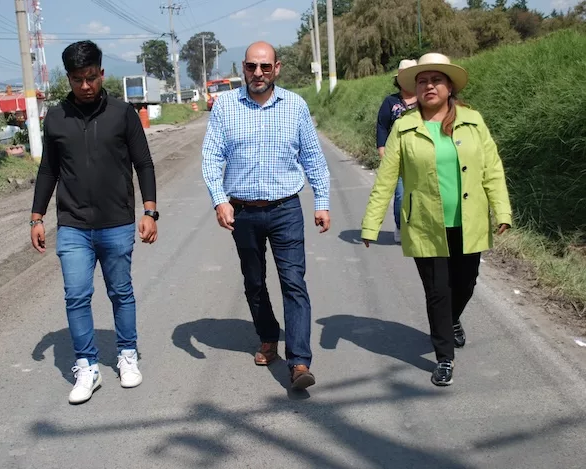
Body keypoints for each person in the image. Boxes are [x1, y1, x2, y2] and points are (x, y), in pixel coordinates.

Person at [360, 53, 512, 387]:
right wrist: (371, 224)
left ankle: (452, 320)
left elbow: (492, 168)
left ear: (449, 86)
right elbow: (386, 180)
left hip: (468, 220)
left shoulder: (473, 121)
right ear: (415, 88)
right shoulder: (404, 127)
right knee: (437, 291)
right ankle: (444, 357)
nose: (429, 86)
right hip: (426, 225)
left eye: (436, 80)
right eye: (423, 80)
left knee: (466, 283)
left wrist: (502, 210)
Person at [30, 40, 159, 404]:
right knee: (76, 295)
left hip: (116, 222)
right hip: (72, 225)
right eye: (76, 80)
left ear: (102, 73)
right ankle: (87, 366)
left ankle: (127, 355)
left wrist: (149, 211)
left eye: (91, 78)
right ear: (67, 79)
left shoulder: (122, 114)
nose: (85, 86)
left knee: (120, 292)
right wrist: (36, 216)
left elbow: (144, 163)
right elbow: (48, 170)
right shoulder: (56, 117)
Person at [201, 41, 331, 391]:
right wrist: (219, 200)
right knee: (254, 281)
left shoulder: (295, 106)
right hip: (242, 211)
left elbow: (313, 157)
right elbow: (212, 157)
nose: (258, 74)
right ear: (242, 68)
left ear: (278, 68)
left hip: (286, 208)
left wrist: (322, 201)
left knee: (293, 282)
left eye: (265, 67)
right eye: (251, 67)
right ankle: (268, 337)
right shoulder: (226, 106)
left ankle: (299, 361)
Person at [376, 59, 418, 243]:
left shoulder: (426, 99)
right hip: (398, 156)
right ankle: (401, 226)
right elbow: (382, 126)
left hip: (422, 155)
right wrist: (382, 149)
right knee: (401, 194)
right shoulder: (390, 101)